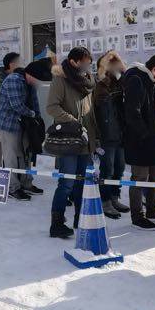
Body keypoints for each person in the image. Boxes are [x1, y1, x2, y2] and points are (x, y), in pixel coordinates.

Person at [47, 47, 100, 238]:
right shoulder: (60, 79)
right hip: (69, 139)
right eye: (84, 62)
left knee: (83, 183)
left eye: (89, 62)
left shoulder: (86, 82)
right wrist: (72, 121)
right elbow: (51, 107)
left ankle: (81, 217)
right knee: (67, 183)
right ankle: (57, 223)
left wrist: (95, 136)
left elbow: (90, 111)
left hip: (86, 140)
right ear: (73, 62)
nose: (87, 66)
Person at [122, 53, 155, 231]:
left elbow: (151, 110)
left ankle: (153, 210)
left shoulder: (151, 81)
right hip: (140, 140)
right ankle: (137, 216)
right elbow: (132, 113)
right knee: (139, 178)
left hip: (153, 139)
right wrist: (145, 134)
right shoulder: (136, 79)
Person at [0, 58, 51, 201]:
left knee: (26, 154)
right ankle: (12, 188)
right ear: (30, 74)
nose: (38, 83)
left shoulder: (29, 83)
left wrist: (38, 118)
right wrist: (32, 114)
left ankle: (26, 183)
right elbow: (17, 105)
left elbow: (35, 103)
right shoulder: (14, 80)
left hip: (23, 124)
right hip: (7, 125)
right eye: (37, 79)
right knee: (11, 157)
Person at [93, 50, 129, 219]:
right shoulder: (99, 83)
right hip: (106, 133)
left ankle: (114, 197)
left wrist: (121, 71)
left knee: (119, 168)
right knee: (107, 168)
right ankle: (105, 200)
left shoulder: (120, 81)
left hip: (120, 131)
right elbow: (98, 104)